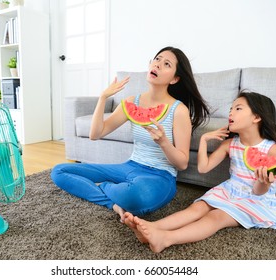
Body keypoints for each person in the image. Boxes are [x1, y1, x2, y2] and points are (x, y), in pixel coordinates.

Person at [51, 46, 209, 221]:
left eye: (166, 64)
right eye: (157, 59)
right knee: (59, 171)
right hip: (129, 167)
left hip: (160, 176)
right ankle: (113, 202)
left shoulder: (178, 110)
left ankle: (104, 187)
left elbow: (182, 164)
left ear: (175, 79)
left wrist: (164, 142)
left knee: (136, 198)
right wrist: (102, 98)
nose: (157, 65)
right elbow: (95, 134)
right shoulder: (131, 102)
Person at [124, 91, 276, 253]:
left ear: (257, 117)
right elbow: (203, 168)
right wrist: (204, 139)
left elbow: (259, 191)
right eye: (230, 109)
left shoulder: (273, 151)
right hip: (230, 190)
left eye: (238, 108)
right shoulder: (230, 144)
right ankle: (153, 227)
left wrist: (263, 181)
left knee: (216, 217)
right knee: (196, 208)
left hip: (255, 200)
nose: (231, 112)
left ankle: (166, 239)